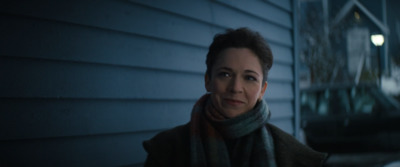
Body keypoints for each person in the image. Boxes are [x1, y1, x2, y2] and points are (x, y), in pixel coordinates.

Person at [142, 28, 327, 167]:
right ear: (208, 81)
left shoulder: (295, 157)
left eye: (249, 78)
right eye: (225, 74)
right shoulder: (166, 150)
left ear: (262, 90)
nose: (236, 88)